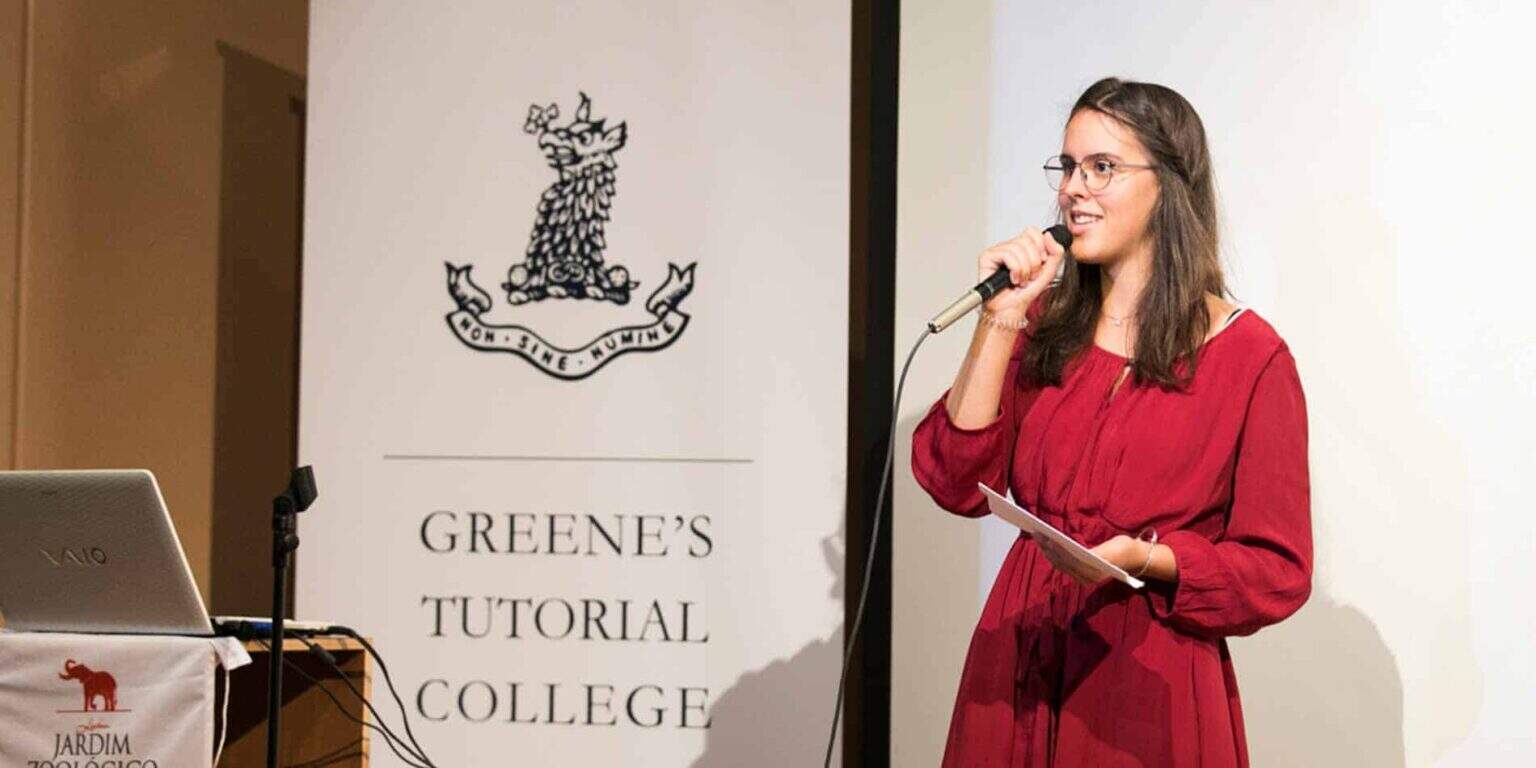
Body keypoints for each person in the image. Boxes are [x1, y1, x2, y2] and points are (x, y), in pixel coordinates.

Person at [910, 77, 1313, 767]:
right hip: (1019, 659)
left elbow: (1278, 570)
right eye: (1067, 167)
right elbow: (952, 478)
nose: (1072, 189)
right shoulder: (1039, 325)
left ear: (1169, 187)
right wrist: (1000, 317)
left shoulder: (1251, 356)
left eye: (1102, 168)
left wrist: (1149, 558)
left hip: (1146, 678)